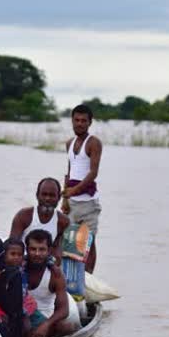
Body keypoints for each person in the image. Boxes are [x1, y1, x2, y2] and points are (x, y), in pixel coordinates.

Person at [63, 104, 102, 273]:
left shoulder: (94, 143)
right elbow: (69, 173)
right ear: (72, 121)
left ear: (90, 122)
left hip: (88, 203)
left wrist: (74, 191)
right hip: (72, 202)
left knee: (88, 244)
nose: (79, 124)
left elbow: (93, 173)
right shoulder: (69, 143)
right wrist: (65, 198)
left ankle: (89, 280)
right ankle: (73, 279)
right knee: (70, 244)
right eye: (76, 120)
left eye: (83, 121)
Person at [24, 229, 81, 337]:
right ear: (27, 249)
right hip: (24, 317)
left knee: (67, 327)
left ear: (49, 251)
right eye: (33, 249)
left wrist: (46, 325)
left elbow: (64, 310)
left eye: (42, 249)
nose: (37, 254)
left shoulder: (55, 275)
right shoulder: (19, 267)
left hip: (46, 319)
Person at [9, 177, 70, 264]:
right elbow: (12, 245)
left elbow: (57, 247)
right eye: (44, 194)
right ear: (37, 195)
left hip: (45, 263)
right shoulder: (23, 216)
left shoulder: (63, 221)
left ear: (59, 197)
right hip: (23, 263)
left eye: (52, 195)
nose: (47, 199)